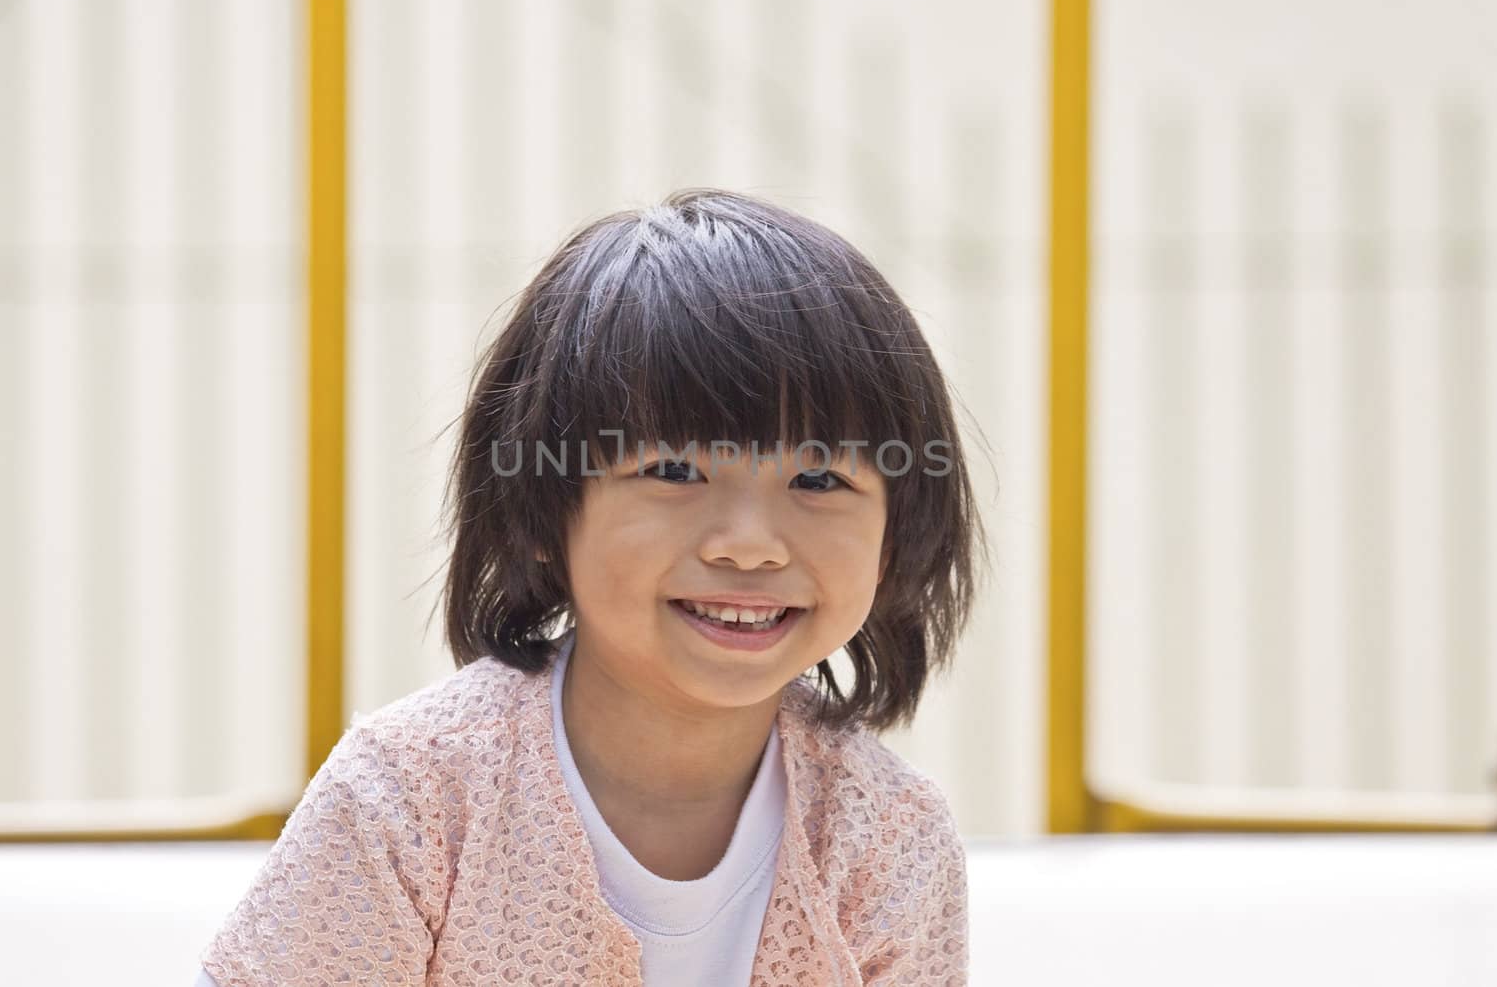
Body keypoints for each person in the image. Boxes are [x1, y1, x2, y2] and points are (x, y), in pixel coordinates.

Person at [197, 188, 986, 985]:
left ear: (896, 535)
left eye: (817, 477)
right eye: (674, 469)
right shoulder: (409, 799)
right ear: (542, 513)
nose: (749, 545)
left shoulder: (891, 835)